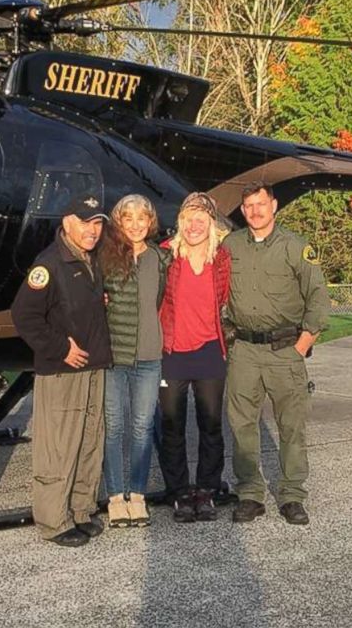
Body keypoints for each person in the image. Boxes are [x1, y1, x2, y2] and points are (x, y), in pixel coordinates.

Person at [225, 181, 330, 526]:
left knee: (291, 425)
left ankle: (292, 494)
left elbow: (317, 296)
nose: (255, 211)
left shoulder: (295, 247)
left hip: (285, 349)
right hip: (243, 350)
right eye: (249, 206)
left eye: (261, 204)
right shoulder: (230, 246)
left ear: (274, 206)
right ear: (242, 211)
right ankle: (250, 494)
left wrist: (304, 342)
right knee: (242, 425)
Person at [11, 193, 113, 547]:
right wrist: (60, 347)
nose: (93, 230)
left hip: (93, 367)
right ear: (67, 221)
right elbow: (24, 317)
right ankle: (54, 521)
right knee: (59, 449)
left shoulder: (90, 259)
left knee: (88, 444)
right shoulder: (50, 264)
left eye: (98, 223)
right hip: (63, 371)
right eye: (86, 222)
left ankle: (80, 511)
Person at [158, 192, 231, 522]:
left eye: (202, 219)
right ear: (181, 222)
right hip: (172, 350)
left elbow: (230, 297)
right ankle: (179, 491)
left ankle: (207, 489)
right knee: (172, 426)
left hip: (209, 350)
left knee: (211, 426)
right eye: (189, 218)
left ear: (212, 224)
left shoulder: (223, 260)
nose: (195, 225)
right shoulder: (165, 256)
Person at [98, 194, 170, 528]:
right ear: (119, 222)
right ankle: (115, 496)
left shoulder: (159, 257)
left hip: (149, 356)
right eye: (129, 218)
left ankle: (137, 495)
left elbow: (161, 300)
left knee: (142, 427)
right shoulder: (105, 256)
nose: (136, 224)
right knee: (114, 426)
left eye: (142, 218)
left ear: (150, 221)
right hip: (115, 354)